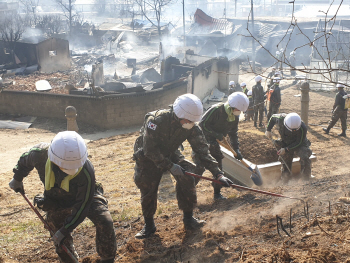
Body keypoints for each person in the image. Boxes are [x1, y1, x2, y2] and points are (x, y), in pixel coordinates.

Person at [133, 93, 233, 239]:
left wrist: (218, 174)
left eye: (193, 121)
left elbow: (203, 151)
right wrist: (170, 166)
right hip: (148, 156)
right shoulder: (156, 121)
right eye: (189, 120)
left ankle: (188, 218)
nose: (191, 123)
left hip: (170, 151)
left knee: (187, 176)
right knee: (148, 188)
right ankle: (149, 226)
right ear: (179, 115)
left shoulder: (191, 126)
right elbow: (150, 150)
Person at [8, 131, 116, 263]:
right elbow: (25, 160)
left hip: (87, 196)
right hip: (56, 197)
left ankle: (107, 258)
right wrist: (17, 178)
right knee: (55, 227)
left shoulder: (86, 172)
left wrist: (65, 229)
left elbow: (82, 205)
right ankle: (68, 259)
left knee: (105, 221)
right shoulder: (40, 154)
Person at [193, 92, 249, 200]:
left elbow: (233, 133)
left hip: (215, 145)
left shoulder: (234, 117)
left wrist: (236, 149)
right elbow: (202, 124)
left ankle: (217, 193)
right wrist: (215, 134)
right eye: (239, 110)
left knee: (219, 169)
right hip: (203, 143)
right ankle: (189, 192)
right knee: (198, 168)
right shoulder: (216, 109)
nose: (240, 112)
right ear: (232, 106)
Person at [265, 113, 312, 182]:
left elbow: (298, 142)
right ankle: (285, 179)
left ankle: (305, 179)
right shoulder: (280, 118)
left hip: (300, 143)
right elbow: (272, 117)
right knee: (286, 158)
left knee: (304, 156)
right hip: (286, 140)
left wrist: (286, 149)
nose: (293, 131)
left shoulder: (303, 128)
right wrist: (268, 130)